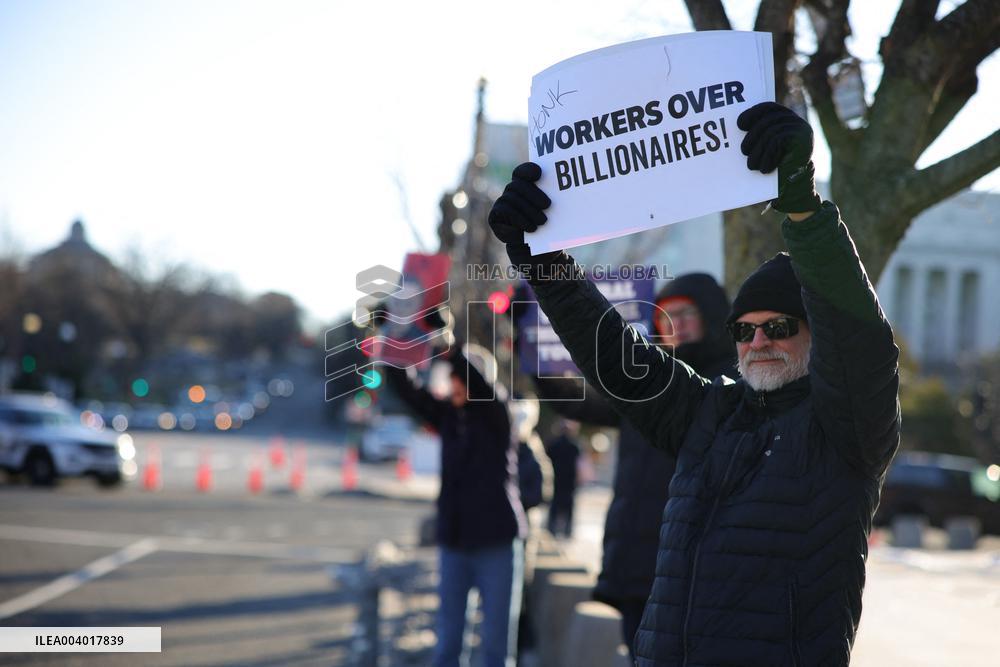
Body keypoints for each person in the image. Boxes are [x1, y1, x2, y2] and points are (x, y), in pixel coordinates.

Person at [488, 102, 900, 665]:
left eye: (778, 327)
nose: (759, 343)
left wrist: (801, 203)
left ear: (816, 335)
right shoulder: (710, 410)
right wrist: (543, 257)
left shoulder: (844, 428)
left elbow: (861, 336)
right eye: (744, 331)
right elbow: (613, 353)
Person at [521, 272, 734, 657]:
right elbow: (575, 400)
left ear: (713, 315)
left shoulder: (736, 387)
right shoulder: (644, 385)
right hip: (634, 569)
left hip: (694, 576)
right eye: (666, 317)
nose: (677, 325)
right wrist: (532, 345)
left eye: (686, 313)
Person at [385, 347, 527, 667]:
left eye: (461, 380)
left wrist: (451, 350)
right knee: (447, 642)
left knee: (495, 647)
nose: (455, 387)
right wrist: (390, 345)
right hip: (454, 542)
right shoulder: (448, 415)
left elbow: (481, 387)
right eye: (452, 381)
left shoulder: (497, 416)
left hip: (497, 544)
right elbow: (409, 392)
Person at [543, 419, 581, 537]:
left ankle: (552, 528)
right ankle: (567, 530)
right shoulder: (574, 445)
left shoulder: (554, 444)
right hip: (568, 480)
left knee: (556, 504)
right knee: (567, 505)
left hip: (557, 478)